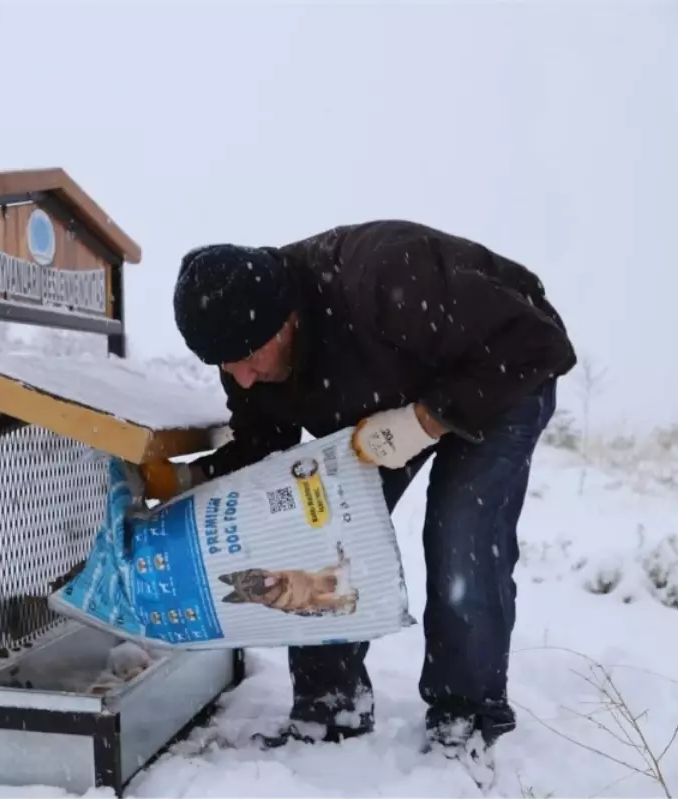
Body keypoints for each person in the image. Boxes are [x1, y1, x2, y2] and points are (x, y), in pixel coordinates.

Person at [134, 219, 576, 775]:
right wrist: (189, 484)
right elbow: (264, 451)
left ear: (287, 320)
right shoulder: (240, 344)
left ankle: (467, 712)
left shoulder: (384, 277)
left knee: (460, 532)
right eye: (225, 368)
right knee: (310, 527)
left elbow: (537, 344)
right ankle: (330, 707)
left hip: (498, 377)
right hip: (380, 405)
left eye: (248, 359)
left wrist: (424, 420)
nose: (241, 380)